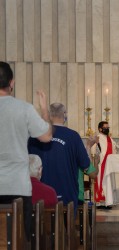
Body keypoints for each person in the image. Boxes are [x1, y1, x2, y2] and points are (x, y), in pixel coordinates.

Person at [0, 61, 52, 241]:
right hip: (18, 187)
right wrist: (45, 109)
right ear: (12, 83)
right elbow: (46, 136)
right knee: (20, 241)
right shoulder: (24, 109)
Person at [28, 103, 90, 214]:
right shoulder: (73, 136)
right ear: (65, 115)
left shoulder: (35, 137)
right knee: (66, 228)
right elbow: (85, 163)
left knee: (40, 227)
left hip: (40, 196)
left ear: (49, 116)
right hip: (68, 194)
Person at [94, 121, 119, 208]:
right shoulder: (97, 138)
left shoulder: (110, 139)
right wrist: (97, 144)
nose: (107, 129)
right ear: (100, 129)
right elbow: (95, 153)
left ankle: (108, 202)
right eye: (105, 128)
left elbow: (117, 151)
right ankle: (101, 202)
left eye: (108, 128)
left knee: (109, 183)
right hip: (101, 165)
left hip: (109, 166)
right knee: (102, 183)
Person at [78, 135, 98, 205]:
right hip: (76, 196)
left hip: (55, 195)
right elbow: (93, 174)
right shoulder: (77, 155)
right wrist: (96, 162)